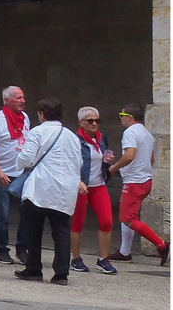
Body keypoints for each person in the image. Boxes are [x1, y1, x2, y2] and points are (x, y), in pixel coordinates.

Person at [15, 98, 83, 284]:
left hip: (40, 187)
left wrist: (21, 161)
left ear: (41, 114)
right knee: (61, 231)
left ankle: (34, 268)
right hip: (65, 190)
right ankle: (61, 273)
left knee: (34, 230)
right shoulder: (71, 136)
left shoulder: (37, 132)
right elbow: (79, 162)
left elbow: (26, 159)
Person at [107, 104, 168, 265]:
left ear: (130, 117)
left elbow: (129, 155)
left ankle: (161, 244)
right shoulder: (147, 134)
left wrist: (114, 167)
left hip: (134, 181)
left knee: (127, 218)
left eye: (122, 114)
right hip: (144, 179)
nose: (121, 118)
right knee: (129, 214)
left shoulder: (130, 132)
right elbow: (152, 158)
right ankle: (124, 251)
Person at [0, 85, 31, 264]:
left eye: (23, 97)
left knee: (27, 211)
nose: (22, 101)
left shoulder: (25, 118)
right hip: (2, 173)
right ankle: (1, 249)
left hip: (22, 173)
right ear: (7, 100)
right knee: (2, 213)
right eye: (18, 98)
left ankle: (22, 247)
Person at [69, 106, 118, 275]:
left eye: (97, 120)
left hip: (98, 184)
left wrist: (107, 160)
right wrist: (77, 181)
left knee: (107, 221)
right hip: (81, 185)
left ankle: (103, 259)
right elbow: (69, 163)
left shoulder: (101, 138)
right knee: (78, 222)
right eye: (90, 121)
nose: (95, 124)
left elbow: (102, 157)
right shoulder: (75, 140)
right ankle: (76, 258)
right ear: (81, 122)